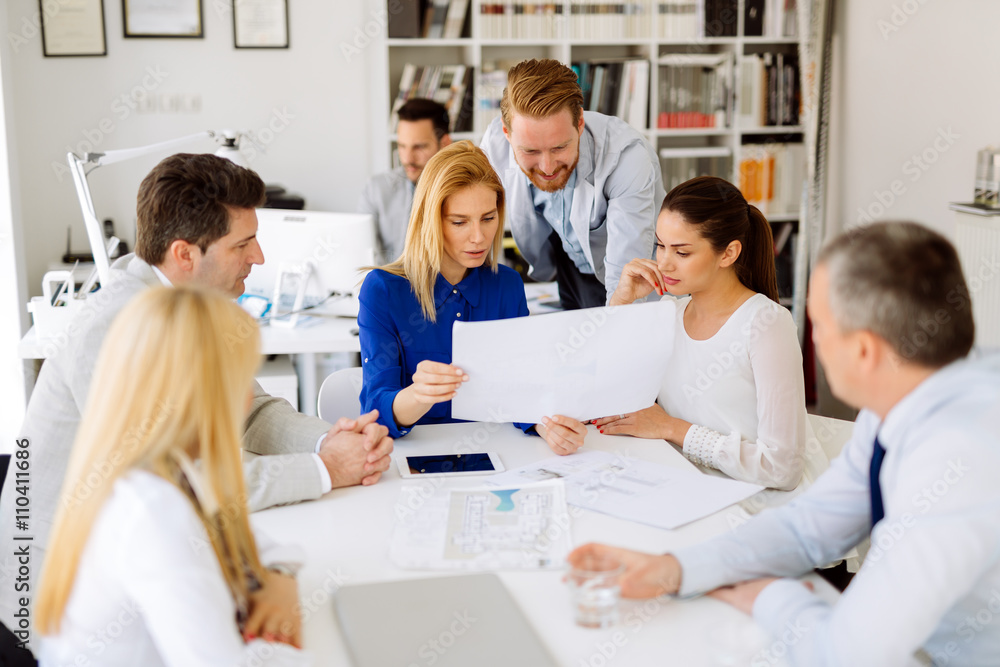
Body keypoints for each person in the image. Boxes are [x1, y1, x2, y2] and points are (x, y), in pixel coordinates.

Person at [0, 153, 392, 644]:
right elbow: (188, 483)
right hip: (56, 593)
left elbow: (253, 411)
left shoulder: (188, 303)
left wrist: (332, 441)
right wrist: (327, 469)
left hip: (148, 549)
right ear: (185, 253)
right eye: (243, 244)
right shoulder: (119, 326)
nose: (260, 258)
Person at [571, 222, 1000, 666]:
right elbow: (810, 526)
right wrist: (675, 569)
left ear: (865, 352)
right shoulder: (900, 398)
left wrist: (770, 596)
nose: (812, 340)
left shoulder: (960, 462)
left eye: (821, 325)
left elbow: (847, 653)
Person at [35, 287, 310, 666]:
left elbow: (255, 544)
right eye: (242, 380)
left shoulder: (164, 473)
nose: (248, 398)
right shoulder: (150, 509)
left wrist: (279, 578)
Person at [593, 176, 825, 490]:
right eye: (660, 246)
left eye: (682, 253)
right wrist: (621, 301)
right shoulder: (669, 313)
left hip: (755, 502)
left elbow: (781, 469)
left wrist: (672, 428)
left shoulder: (766, 325)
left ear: (728, 254)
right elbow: (601, 389)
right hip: (682, 487)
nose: (664, 263)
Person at [358, 140, 588, 455]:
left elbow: (520, 388)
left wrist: (545, 425)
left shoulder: (506, 285)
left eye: (488, 218)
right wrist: (419, 395)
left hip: (497, 452)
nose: (478, 237)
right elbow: (375, 413)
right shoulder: (382, 290)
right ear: (431, 221)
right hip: (414, 459)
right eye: (459, 222)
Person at [480, 58, 665, 309]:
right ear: (506, 133)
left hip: (634, 276)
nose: (547, 167)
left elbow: (626, 280)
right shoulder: (493, 145)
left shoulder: (627, 158)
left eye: (559, 147)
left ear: (579, 123)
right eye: (530, 151)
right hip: (569, 265)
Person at [359, 98, 452, 263]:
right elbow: (361, 252)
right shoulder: (376, 189)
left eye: (419, 147)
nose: (408, 159)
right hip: (389, 285)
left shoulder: (465, 192)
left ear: (444, 144)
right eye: (402, 146)